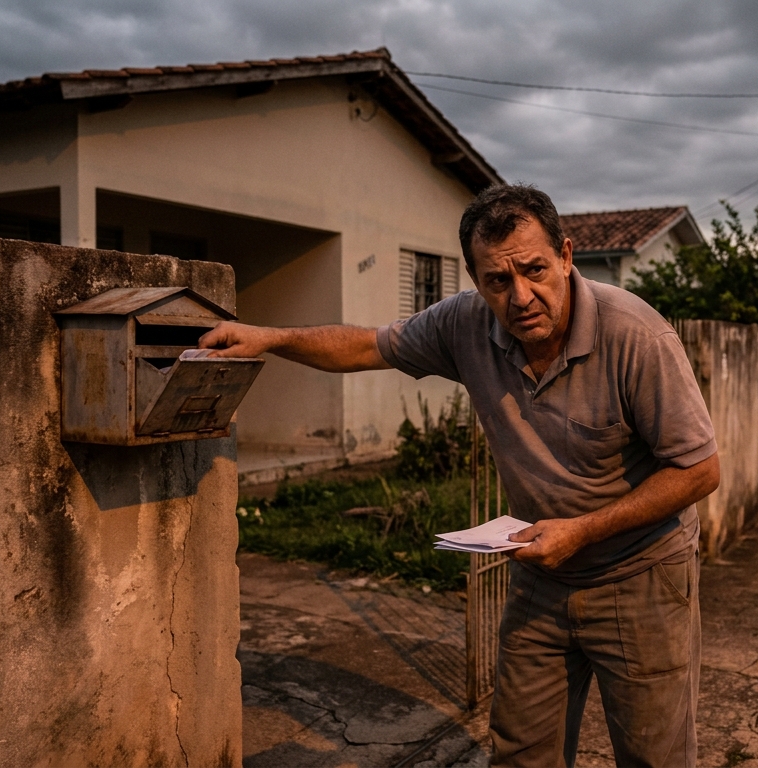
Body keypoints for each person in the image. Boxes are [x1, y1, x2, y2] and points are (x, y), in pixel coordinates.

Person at [199, 184, 719, 767]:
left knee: (655, 756)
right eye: (498, 280)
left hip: (641, 577)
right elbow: (365, 346)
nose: (520, 296)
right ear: (475, 280)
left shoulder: (636, 335)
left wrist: (584, 530)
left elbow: (699, 469)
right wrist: (268, 338)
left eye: (535, 270)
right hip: (542, 576)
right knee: (520, 750)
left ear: (567, 256)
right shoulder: (465, 325)